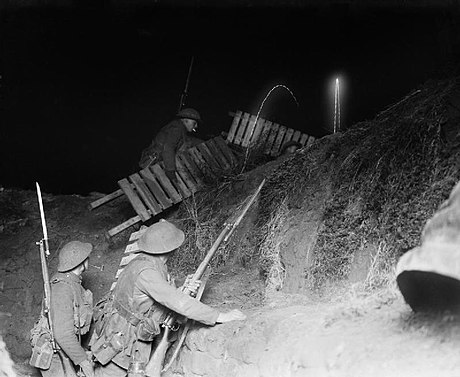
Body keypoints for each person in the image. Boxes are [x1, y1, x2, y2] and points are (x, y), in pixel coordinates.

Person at [91, 219, 246, 377]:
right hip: (123, 342)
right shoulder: (147, 271)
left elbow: (152, 297)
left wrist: (180, 289)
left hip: (126, 334)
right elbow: (180, 304)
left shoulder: (147, 263)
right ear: (172, 248)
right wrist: (220, 316)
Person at [40, 241, 94, 377]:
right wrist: (83, 361)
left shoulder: (72, 281)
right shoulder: (62, 288)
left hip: (65, 348)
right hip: (55, 355)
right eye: (86, 257)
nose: (89, 259)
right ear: (81, 262)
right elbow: (63, 334)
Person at [138, 108, 202, 184]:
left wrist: (206, 142)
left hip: (159, 165)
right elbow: (168, 148)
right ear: (186, 120)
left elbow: (189, 141)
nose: (196, 126)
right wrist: (170, 171)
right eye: (194, 123)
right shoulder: (177, 129)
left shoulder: (179, 129)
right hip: (154, 165)